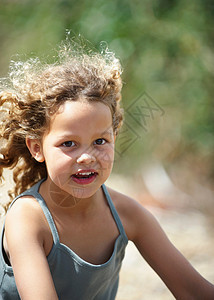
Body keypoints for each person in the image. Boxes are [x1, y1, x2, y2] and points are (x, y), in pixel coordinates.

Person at [0, 40, 213, 300]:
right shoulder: (28, 219)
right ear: (37, 148)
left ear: (114, 137)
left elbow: (193, 290)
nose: (87, 157)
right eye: (69, 144)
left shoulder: (127, 214)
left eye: (100, 141)